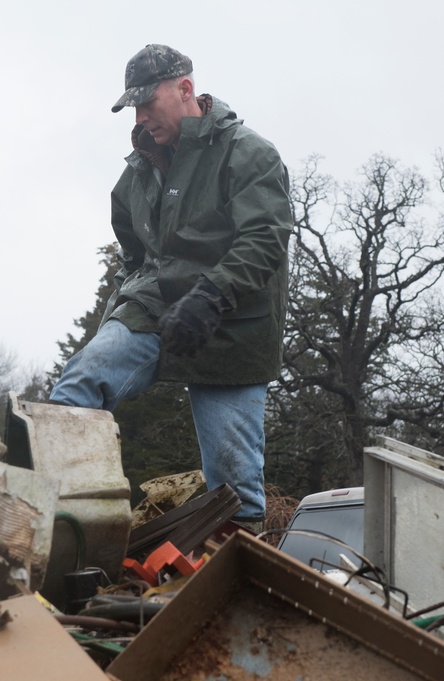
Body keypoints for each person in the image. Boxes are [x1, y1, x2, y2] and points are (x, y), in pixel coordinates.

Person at [49, 44, 292, 532]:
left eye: (147, 102)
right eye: (132, 107)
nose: (139, 117)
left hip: (234, 327)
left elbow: (266, 241)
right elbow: (133, 259)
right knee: (75, 390)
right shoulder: (135, 175)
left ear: (185, 90)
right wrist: (114, 325)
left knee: (233, 491)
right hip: (154, 307)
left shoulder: (248, 154)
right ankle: (65, 524)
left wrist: (208, 297)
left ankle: (236, 583)